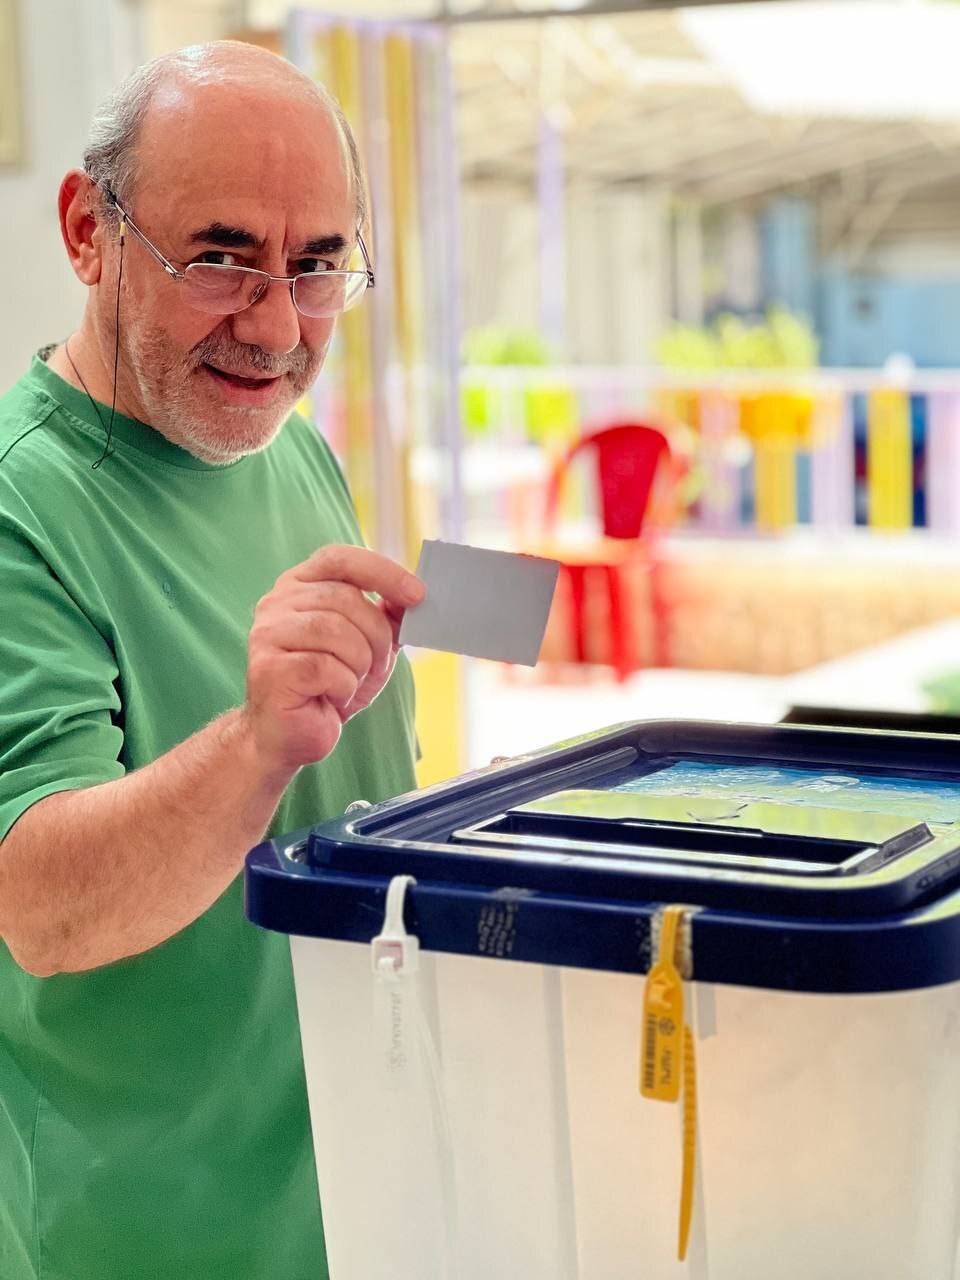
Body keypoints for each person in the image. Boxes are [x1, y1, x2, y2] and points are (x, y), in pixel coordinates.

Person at [0, 39, 426, 1280]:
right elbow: (40, 904)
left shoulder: (285, 444)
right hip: (145, 1238)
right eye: (222, 257)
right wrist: (254, 743)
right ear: (89, 232)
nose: (278, 326)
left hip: (356, 1203)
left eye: (318, 266)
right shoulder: (25, 508)